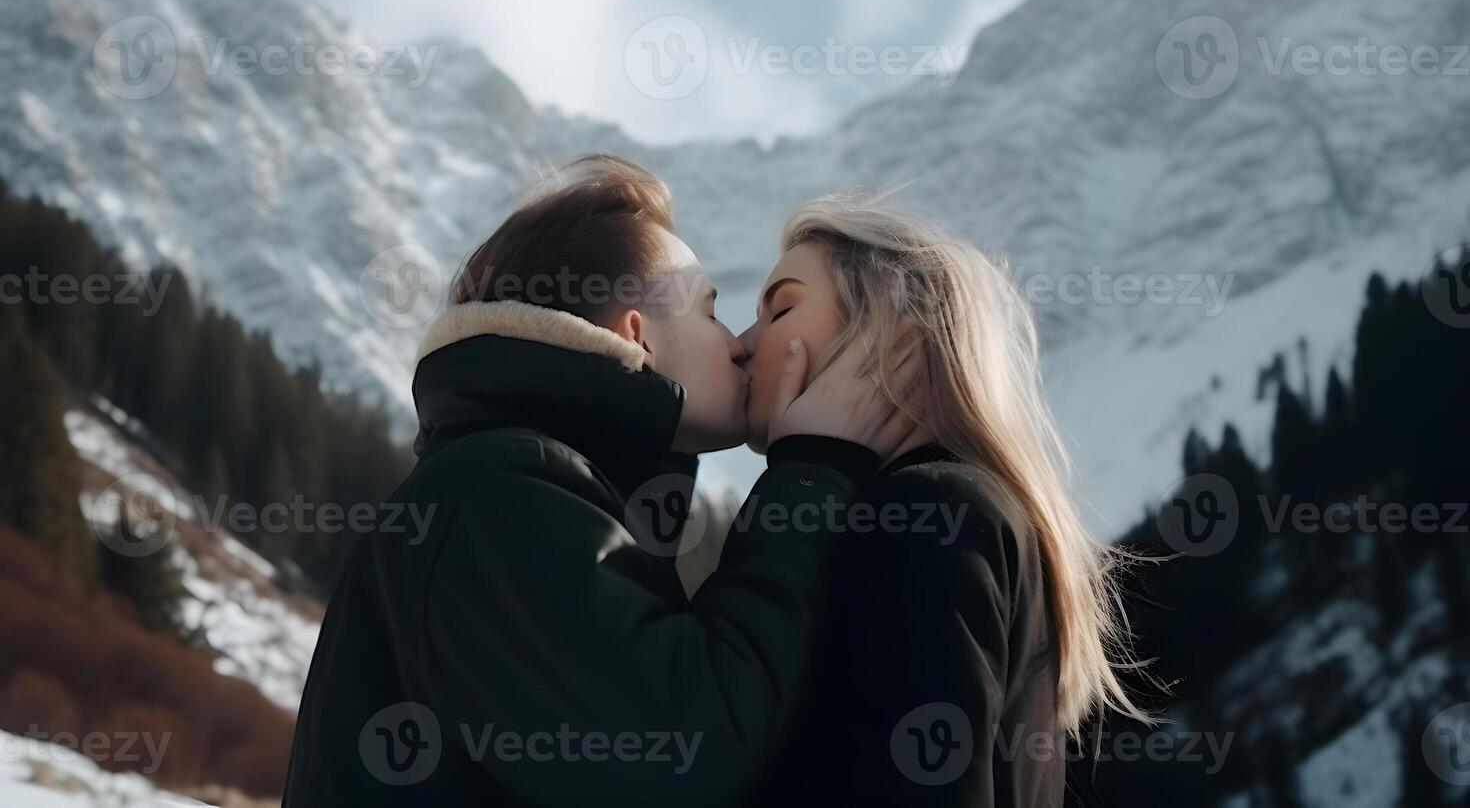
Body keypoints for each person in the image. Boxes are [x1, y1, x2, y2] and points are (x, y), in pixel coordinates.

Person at [281, 155, 916, 806]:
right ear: (635, 337)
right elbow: (680, 754)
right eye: (708, 312)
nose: (738, 345)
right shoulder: (496, 495)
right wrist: (811, 474)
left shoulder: (525, 488)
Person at [737, 194, 1153, 807]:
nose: (743, 344)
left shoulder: (923, 516)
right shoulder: (962, 508)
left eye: (781, 310)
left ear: (891, 333)